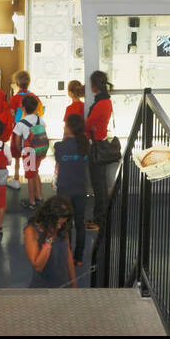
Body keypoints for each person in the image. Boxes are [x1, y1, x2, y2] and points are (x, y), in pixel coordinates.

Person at [53, 113, 90, 267]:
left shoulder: (59, 146)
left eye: (65, 125)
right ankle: (79, 258)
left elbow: (59, 160)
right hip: (81, 189)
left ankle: (67, 256)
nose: (63, 127)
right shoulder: (86, 145)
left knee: (65, 224)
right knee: (80, 223)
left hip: (64, 190)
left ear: (69, 128)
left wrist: (64, 138)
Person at [84, 70, 114, 232]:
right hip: (100, 142)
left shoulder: (100, 104)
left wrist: (88, 125)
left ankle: (100, 220)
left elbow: (88, 124)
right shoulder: (106, 101)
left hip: (96, 146)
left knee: (99, 186)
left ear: (94, 86)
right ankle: (99, 217)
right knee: (100, 184)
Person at [24, 195, 76, 289]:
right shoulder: (31, 231)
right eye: (58, 223)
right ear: (49, 217)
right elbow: (38, 266)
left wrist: (73, 283)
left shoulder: (63, 228)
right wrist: (49, 237)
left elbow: (68, 255)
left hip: (64, 287)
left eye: (63, 223)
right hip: (42, 290)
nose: (60, 227)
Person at [12, 93, 47, 210]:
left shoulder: (20, 124)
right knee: (36, 172)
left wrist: (20, 150)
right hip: (40, 150)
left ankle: (32, 201)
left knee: (30, 176)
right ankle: (40, 197)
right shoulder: (40, 120)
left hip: (29, 152)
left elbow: (17, 141)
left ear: (22, 108)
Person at [9, 70, 34, 187]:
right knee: (29, 154)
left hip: (17, 129)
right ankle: (31, 179)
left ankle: (16, 178)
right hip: (30, 130)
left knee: (17, 155)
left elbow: (11, 113)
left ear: (17, 83)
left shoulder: (15, 98)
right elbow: (40, 111)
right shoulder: (33, 96)